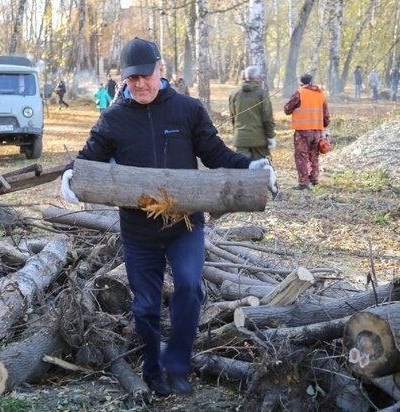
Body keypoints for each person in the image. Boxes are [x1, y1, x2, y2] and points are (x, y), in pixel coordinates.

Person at [60, 37, 277, 397]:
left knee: (190, 288)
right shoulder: (113, 119)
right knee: (145, 307)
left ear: (161, 70)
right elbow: (89, 156)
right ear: (124, 80)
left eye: (146, 75)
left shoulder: (188, 110)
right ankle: (152, 368)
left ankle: (177, 363)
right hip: (138, 229)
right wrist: (71, 173)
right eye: (132, 79)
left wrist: (252, 167)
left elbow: (215, 152)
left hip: (185, 224)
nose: (140, 84)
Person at [284, 73, 330, 190]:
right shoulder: (321, 94)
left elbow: (287, 109)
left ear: (301, 82)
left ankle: (304, 183)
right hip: (317, 131)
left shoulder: (299, 93)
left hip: (303, 131)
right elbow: (326, 116)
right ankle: (314, 179)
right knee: (314, 155)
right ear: (311, 81)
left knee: (301, 156)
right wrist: (323, 127)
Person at [228, 65, 276, 160]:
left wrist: (237, 131)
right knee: (261, 169)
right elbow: (267, 117)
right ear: (258, 78)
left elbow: (233, 117)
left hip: (241, 138)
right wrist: (271, 136)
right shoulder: (262, 93)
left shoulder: (234, 93)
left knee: (243, 169)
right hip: (259, 139)